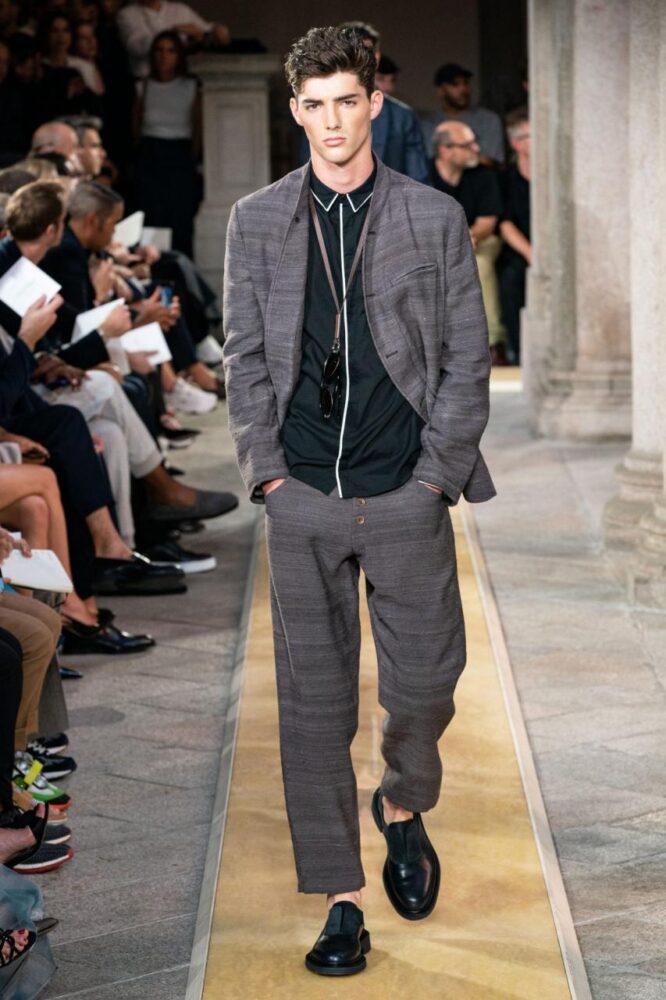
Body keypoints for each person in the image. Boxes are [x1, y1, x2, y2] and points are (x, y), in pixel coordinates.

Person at [223, 25, 495, 976]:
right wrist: (267, 473)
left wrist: (436, 477)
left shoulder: (430, 216)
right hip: (302, 493)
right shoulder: (257, 219)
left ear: (375, 103)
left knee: (426, 685)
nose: (333, 121)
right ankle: (340, 898)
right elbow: (244, 357)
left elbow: (466, 359)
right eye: (316, 105)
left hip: (406, 489)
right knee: (312, 707)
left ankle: (403, 802)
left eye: (349, 101)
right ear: (295, 110)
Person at [297, 21, 429, 185]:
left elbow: (419, 180)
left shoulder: (402, 116)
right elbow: (307, 172)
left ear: (376, 57)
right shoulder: (313, 110)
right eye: (349, 52)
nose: (356, 59)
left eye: (364, 51)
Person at [430, 120, 507, 364]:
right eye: (467, 145)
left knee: (479, 264)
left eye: (475, 143)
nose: (476, 149)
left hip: (478, 239)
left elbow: (488, 221)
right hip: (434, 243)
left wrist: (465, 240)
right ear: (445, 150)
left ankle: (493, 343)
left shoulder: (483, 175)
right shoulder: (423, 174)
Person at [133, 29, 200, 256]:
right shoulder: (143, 85)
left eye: (170, 51)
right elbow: (136, 124)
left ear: (179, 55)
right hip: (151, 152)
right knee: (153, 214)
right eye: (159, 51)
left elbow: (197, 126)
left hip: (179, 154)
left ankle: (181, 266)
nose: (164, 56)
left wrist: (193, 159)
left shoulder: (190, 86)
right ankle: (154, 264)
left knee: (180, 215)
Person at [116, 0, 230, 79]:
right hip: (145, 82)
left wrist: (217, 32)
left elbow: (209, 32)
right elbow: (136, 48)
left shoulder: (180, 9)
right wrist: (174, 32)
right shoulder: (126, 14)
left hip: (180, 80)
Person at [420, 62, 505, 166]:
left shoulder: (488, 119)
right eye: (455, 84)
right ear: (441, 91)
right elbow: (427, 162)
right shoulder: (428, 124)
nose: (463, 89)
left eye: (466, 83)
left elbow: (491, 161)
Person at [497, 107, 531, 364]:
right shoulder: (505, 178)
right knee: (511, 277)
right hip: (520, 248)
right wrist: (532, 254)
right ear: (517, 143)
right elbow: (505, 224)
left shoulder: (555, 176)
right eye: (533, 135)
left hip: (554, 246)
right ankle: (518, 351)